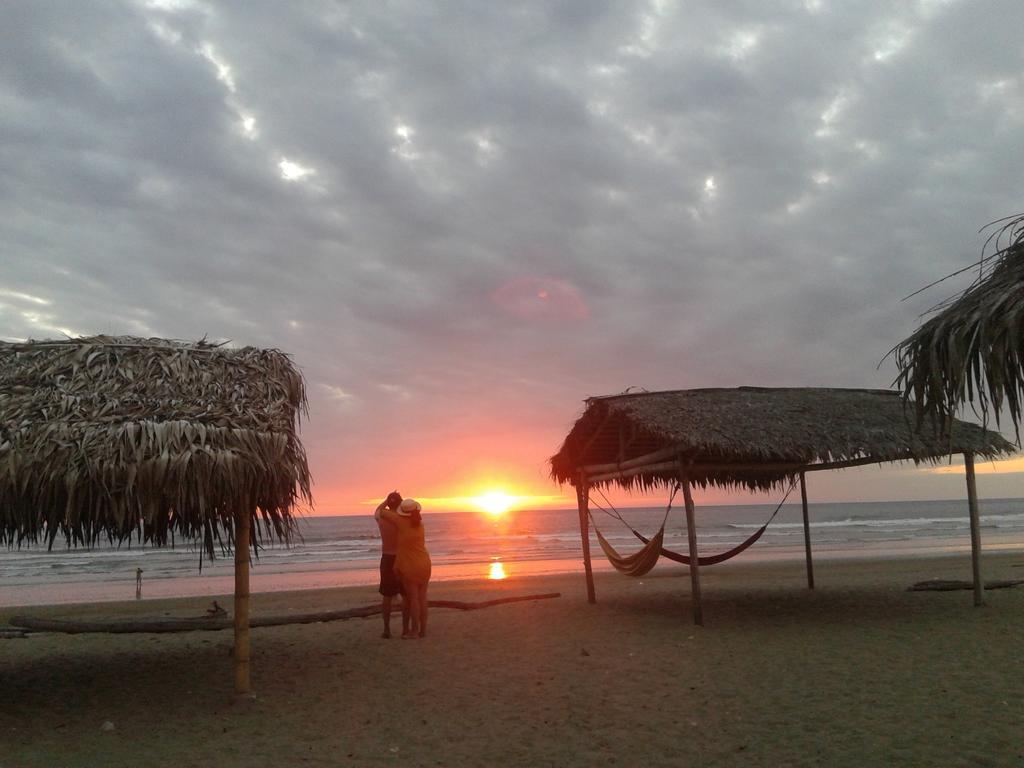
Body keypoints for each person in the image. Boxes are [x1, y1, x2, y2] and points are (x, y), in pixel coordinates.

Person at [382, 498, 432, 639]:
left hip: (410, 566)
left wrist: (389, 501)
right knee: (423, 598)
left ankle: (414, 631)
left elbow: (381, 512)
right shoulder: (420, 524)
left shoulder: (400, 521)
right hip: (425, 563)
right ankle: (423, 630)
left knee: (414, 599)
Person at [374, 491, 408, 639]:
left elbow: (376, 511)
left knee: (387, 596)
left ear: (388, 504)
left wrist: (385, 501)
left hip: (387, 558)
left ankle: (386, 629)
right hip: (402, 557)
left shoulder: (382, 518)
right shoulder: (402, 519)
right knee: (406, 595)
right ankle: (405, 629)